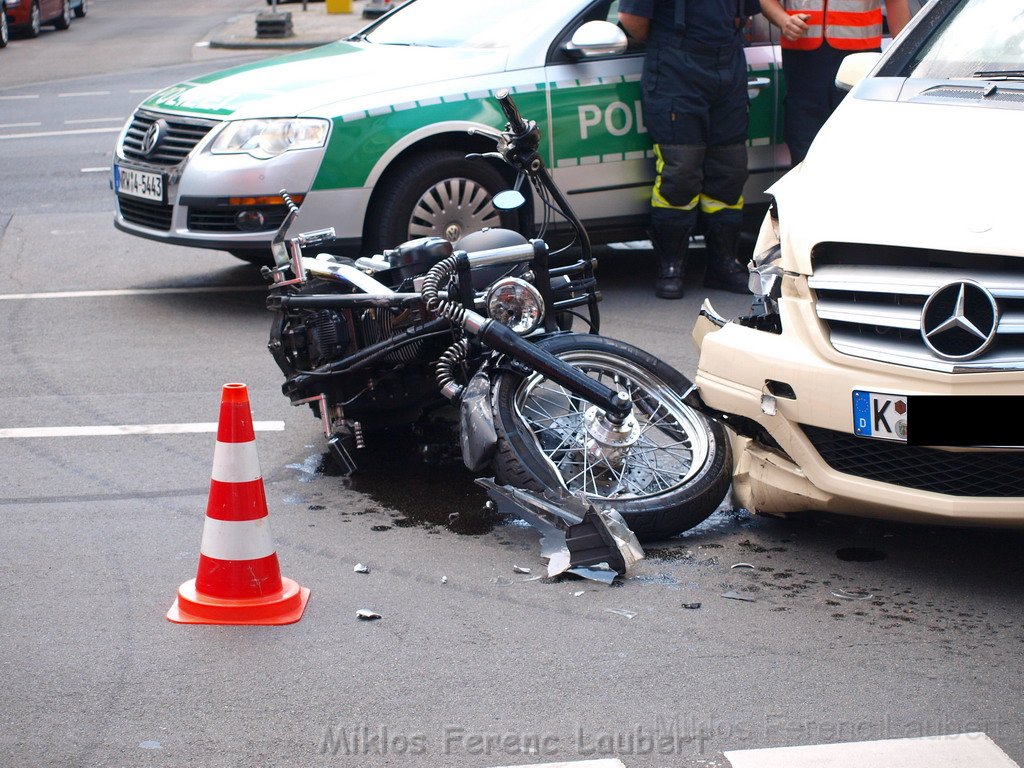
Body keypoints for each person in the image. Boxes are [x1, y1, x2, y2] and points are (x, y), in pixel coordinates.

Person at [619, 0, 761, 299]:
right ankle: (671, 266)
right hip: (674, 69)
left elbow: (743, 15)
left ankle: (723, 265)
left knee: (730, 169)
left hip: (728, 67)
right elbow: (632, 19)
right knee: (680, 170)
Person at [759, 0, 910, 165]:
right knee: (804, 153)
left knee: (856, 153)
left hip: (859, 66)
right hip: (804, 69)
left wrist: (905, 58)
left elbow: (896, 3)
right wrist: (783, 20)